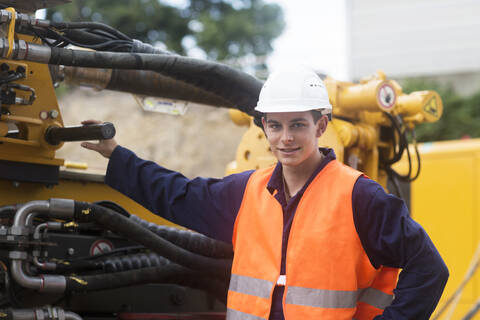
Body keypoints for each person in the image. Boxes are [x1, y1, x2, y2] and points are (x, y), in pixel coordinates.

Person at [81, 67, 448, 320]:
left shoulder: (359, 196)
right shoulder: (246, 191)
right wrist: (116, 155)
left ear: (321, 125)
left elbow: (429, 268)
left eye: (297, 125)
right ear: (264, 127)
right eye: (275, 126)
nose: (285, 138)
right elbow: (176, 194)